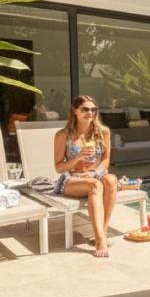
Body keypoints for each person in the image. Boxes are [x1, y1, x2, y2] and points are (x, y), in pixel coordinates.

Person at [53, 95, 119, 258]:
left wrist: (95, 173)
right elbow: (59, 167)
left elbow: (105, 159)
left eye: (93, 109)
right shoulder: (63, 135)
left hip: (95, 175)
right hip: (72, 180)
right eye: (85, 109)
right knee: (95, 185)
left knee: (111, 180)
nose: (90, 113)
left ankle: (102, 231)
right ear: (75, 111)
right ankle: (100, 240)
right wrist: (78, 157)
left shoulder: (103, 132)